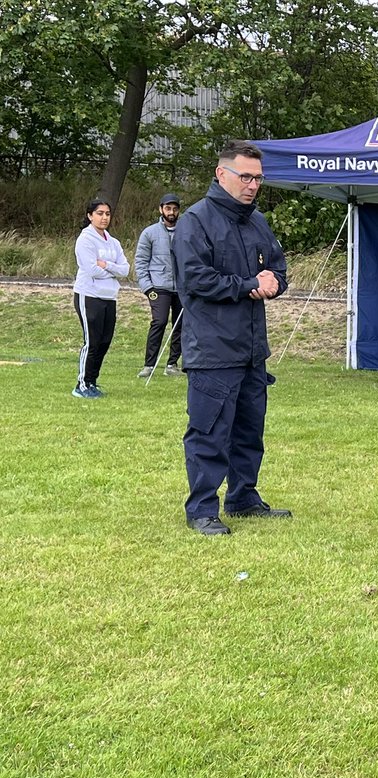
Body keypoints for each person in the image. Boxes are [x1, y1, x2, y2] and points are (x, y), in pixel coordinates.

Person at [174, 140, 291, 536]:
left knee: (248, 431)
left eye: (258, 178)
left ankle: (244, 497)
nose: (253, 185)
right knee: (209, 432)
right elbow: (195, 279)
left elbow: (277, 269)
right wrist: (247, 285)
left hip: (252, 349)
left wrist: (273, 283)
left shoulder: (258, 221)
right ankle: (202, 509)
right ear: (221, 174)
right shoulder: (195, 221)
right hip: (213, 349)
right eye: (245, 177)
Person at [71, 199, 129, 399]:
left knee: (104, 342)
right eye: (100, 213)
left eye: (107, 214)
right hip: (89, 295)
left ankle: (92, 382)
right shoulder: (85, 240)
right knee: (92, 342)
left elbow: (125, 269)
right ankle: (81, 384)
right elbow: (91, 269)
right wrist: (111, 270)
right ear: (90, 216)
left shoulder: (113, 242)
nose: (104, 217)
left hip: (109, 296)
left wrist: (107, 265)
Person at [135, 193, 185, 377]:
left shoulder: (186, 231)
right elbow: (141, 261)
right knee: (159, 321)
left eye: (175, 209)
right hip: (158, 286)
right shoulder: (149, 233)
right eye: (168, 208)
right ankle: (149, 365)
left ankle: (172, 364)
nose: (171, 212)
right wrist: (147, 287)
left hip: (181, 287)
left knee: (180, 324)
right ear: (161, 209)